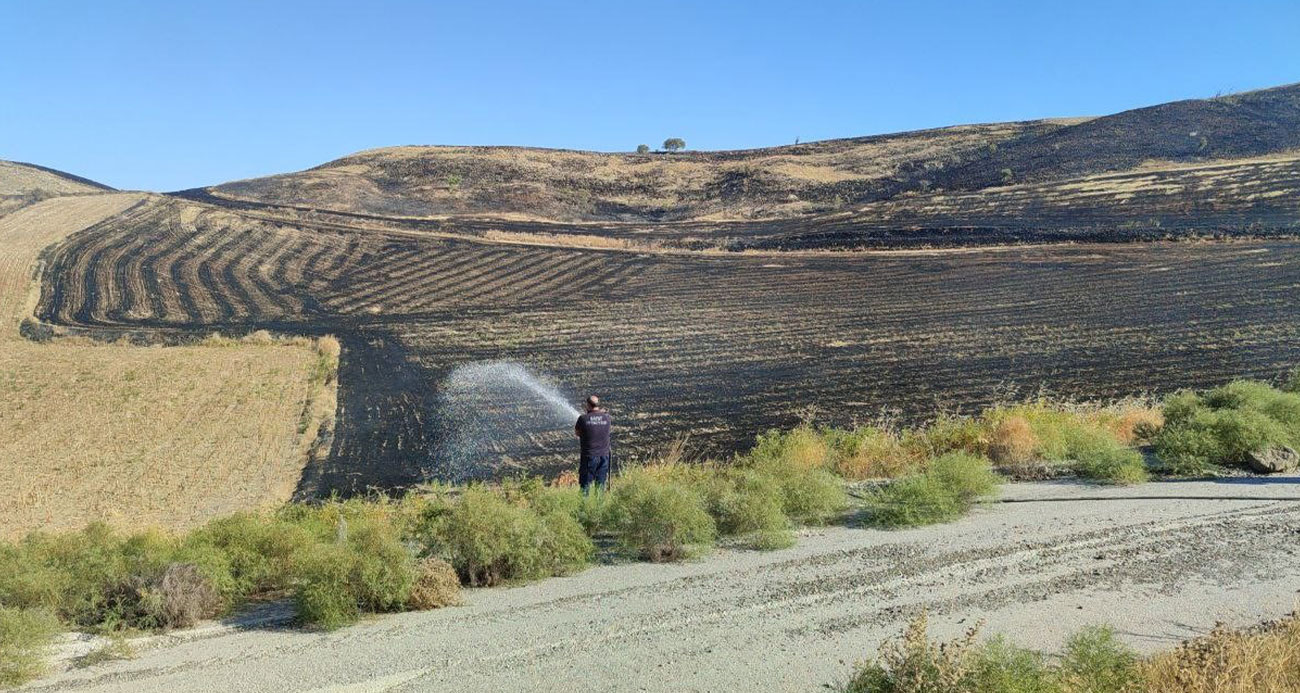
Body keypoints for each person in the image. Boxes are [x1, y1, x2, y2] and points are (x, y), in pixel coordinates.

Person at [574, 395, 612, 493]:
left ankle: (584, 507)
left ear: (588, 405)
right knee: (600, 486)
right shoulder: (607, 418)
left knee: (585, 486)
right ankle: (599, 507)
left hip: (589, 457)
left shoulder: (583, 419)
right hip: (604, 456)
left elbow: (577, 433)